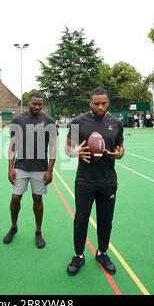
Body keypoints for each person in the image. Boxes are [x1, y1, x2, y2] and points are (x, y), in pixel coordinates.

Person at [65, 87, 124, 276]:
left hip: (108, 181)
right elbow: (68, 148)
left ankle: (102, 253)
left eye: (104, 103)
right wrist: (74, 153)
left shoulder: (116, 124)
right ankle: (78, 255)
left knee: (106, 220)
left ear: (108, 103)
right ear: (90, 103)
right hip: (85, 181)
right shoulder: (78, 122)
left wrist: (117, 154)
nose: (100, 107)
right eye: (96, 103)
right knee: (81, 219)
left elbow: (121, 149)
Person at [3, 93, 57, 248]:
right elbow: (13, 145)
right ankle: (14, 227)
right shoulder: (18, 120)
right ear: (29, 103)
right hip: (21, 166)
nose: (37, 107)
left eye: (40, 104)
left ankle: (38, 232)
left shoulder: (49, 121)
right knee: (15, 198)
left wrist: (50, 170)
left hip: (40, 168)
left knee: (37, 199)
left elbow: (53, 147)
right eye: (34, 104)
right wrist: (10, 167)